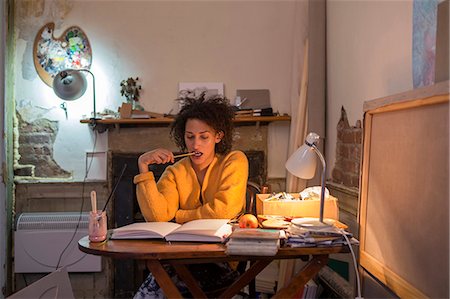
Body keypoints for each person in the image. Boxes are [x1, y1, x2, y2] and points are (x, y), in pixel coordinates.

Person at [133, 94, 249, 298]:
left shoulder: (235, 161)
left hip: (221, 259)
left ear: (218, 136)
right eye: (190, 137)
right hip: (180, 258)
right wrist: (143, 167)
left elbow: (224, 211)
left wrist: (179, 216)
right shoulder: (174, 172)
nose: (196, 145)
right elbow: (157, 216)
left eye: (204, 137)